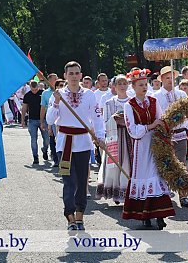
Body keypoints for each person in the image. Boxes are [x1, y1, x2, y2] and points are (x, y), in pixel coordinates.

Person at [47, 61, 105, 231]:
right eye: (70, 73)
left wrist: (100, 136)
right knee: (68, 182)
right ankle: (69, 216)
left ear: (81, 75)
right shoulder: (57, 95)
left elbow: (97, 118)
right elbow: (50, 120)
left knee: (82, 181)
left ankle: (80, 215)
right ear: (65, 76)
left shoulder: (89, 95)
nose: (73, 76)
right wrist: (56, 103)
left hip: (83, 143)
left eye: (76, 73)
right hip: (64, 144)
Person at [122, 68, 175, 229]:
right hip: (141, 146)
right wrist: (150, 126)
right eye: (140, 85)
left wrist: (164, 130)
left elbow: (161, 119)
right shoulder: (129, 105)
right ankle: (144, 215)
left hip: (156, 143)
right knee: (144, 175)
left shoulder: (153, 101)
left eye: (145, 84)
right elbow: (132, 130)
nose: (144, 87)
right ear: (133, 87)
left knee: (156, 175)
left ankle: (159, 215)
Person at [153, 66, 188, 207]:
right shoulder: (155, 96)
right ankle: (165, 193)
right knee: (165, 164)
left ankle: (183, 195)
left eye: (172, 78)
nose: (170, 81)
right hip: (164, 136)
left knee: (181, 164)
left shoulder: (181, 94)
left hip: (180, 133)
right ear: (161, 79)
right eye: (167, 78)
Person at [96, 75, 132, 204]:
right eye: (119, 83)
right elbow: (105, 121)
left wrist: (126, 121)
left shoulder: (132, 101)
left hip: (130, 136)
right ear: (114, 86)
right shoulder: (109, 102)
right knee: (115, 165)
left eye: (124, 83)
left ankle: (128, 191)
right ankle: (116, 192)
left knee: (129, 163)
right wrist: (114, 119)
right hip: (115, 137)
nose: (122, 86)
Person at [22, 80, 50, 164]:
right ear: (30, 87)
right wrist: (22, 120)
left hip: (43, 119)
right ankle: (35, 157)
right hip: (32, 120)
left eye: (36, 89)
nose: (34, 91)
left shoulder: (43, 93)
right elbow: (24, 108)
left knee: (46, 139)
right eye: (32, 89)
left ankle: (45, 150)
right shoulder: (27, 95)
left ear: (38, 86)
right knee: (33, 139)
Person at [40, 73, 59, 166]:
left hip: (60, 120)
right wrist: (42, 121)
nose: (57, 80)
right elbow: (43, 108)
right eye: (55, 79)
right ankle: (55, 158)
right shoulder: (45, 93)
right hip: (50, 118)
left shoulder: (62, 92)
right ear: (49, 81)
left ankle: (59, 158)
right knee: (51, 139)